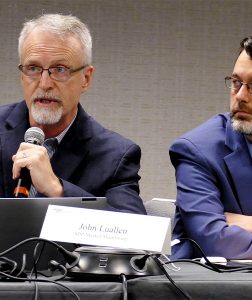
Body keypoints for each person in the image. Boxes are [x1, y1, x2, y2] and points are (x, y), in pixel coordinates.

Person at [169, 34, 252, 260]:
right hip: (216, 287)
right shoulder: (196, 150)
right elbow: (216, 242)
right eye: (236, 82)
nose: (240, 96)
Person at [0, 13, 146, 214]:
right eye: (33, 68)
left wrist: (58, 190)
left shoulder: (115, 156)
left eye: (60, 70)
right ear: (21, 75)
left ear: (85, 79)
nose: (44, 84)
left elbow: (135, 232)